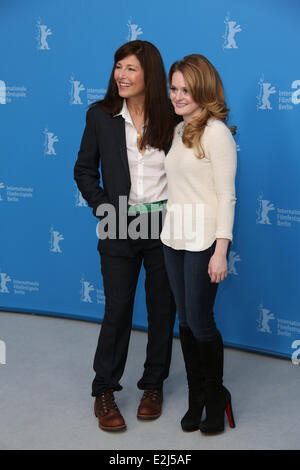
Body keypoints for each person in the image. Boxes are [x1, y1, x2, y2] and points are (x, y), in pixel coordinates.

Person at [74, 40, 177, 432]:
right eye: (119, 67)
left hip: (165, 227)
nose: (121, 75)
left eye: (131, 68)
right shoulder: (100, 115)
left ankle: (153, 385)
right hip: (120, 225)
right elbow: (84, 170)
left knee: (162, 310)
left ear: (148, 74)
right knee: (117, 310)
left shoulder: (172, 115)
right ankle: (104, 390)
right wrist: (106, 210)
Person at [160, 54, 237, 434]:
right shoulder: (178, 130)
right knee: (186, 322)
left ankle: (215, 396)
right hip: (174, 238)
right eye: (173, 89)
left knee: (202, 323)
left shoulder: (217, 133)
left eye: (184, 90)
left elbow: (226, 195)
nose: (176, 96)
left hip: (205, 239)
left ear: (202, 90)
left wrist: (221, 250)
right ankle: (195, 397)